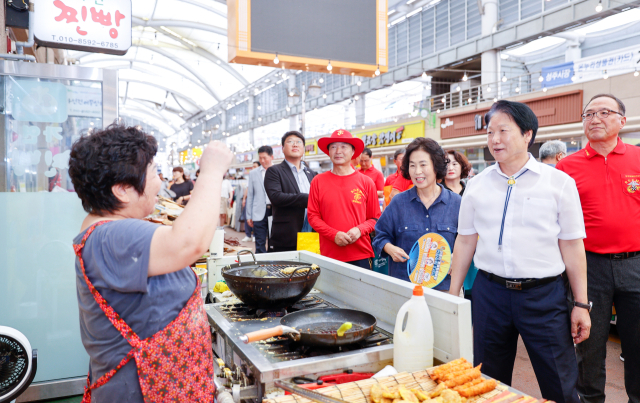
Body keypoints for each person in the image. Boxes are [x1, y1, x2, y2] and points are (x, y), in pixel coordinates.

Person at [68, 124, 233, 402]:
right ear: (123, 190)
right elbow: (188, 244)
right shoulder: (112, 236)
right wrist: (213, 170)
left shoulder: (110, 232)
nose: (160, 182)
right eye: (153, 172)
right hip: (141, 391)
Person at [448, 100, 591, 403]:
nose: (495, 140)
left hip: (545, 296)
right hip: (490, 294)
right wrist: (453, 293)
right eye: (490, 133)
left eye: (503, 131)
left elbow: (572, 243)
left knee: (560, 382)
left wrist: (581, 303)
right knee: (486, 382)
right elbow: (465, 240)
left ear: (528, 134)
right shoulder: (476, 185)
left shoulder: (558, 183)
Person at [556, 94, 640, 403]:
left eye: (604, 112)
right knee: (588, 348)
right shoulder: (566, 167)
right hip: (588, 268)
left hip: (636, 264)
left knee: (637, 346)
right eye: (589, 114)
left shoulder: (638, 158)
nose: (595, 118)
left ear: (622, 120)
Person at [373, 138, 460, 290]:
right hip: (404, 287)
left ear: (436, 166)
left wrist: (457, 257)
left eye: (423, 165)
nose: (417, 171)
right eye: (412, 166)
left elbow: (467, 240)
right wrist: (389, 248)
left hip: (445, 288)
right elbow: (379, 236)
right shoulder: (399, 202)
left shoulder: (456, 202)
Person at [307, 129, 380, 270]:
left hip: (361, 254)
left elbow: (375, 218)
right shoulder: (318, 181)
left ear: (353, 152)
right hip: (329, 255)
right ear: (328, 152)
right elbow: (313, 216)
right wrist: (333, 235)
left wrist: (359, 230)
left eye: (343, 147)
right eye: (333, 147)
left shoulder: (366, 182)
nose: (338, 151)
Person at [264, 131, 317, 252]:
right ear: (282, 148)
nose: (295, 144)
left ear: (303, 149)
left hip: (311, 233)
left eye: (299, 142)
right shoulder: (274, 171)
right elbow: (276, 197)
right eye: (290, 142)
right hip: (287, 234)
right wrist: (308, 198)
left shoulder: (311, 173)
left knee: (309, 268)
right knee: (284, 269)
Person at [246, 146, 274, 253]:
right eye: (260, 158)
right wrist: (249, 215)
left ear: (272, 157)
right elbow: (250, 195)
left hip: (274, 212)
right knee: (260, 243)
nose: (262, 161)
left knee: (273, 243)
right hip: (258, 212)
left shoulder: (278, 170)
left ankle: (272, 267)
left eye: (265, 158)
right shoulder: (254, 173)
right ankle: (260, 268)